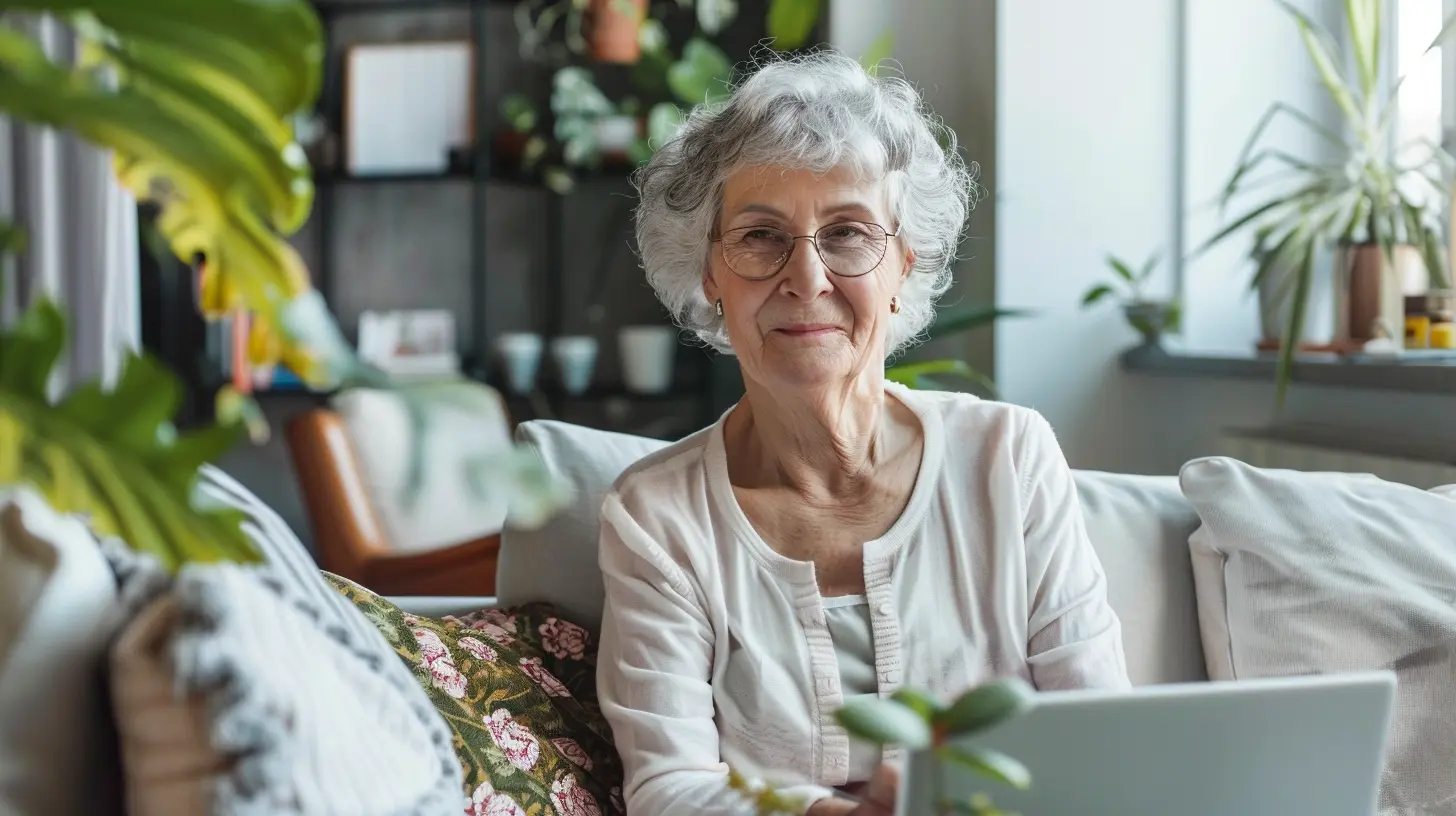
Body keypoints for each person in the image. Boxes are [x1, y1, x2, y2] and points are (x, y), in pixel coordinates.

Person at [595, 48, 1130, 816]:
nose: (806, 279)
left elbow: (1103, 736)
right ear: (710, 274)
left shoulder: (1009, 458)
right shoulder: (658, 516)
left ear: (903, 265)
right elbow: (669, 788)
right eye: (760, 236)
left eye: (847, 233)